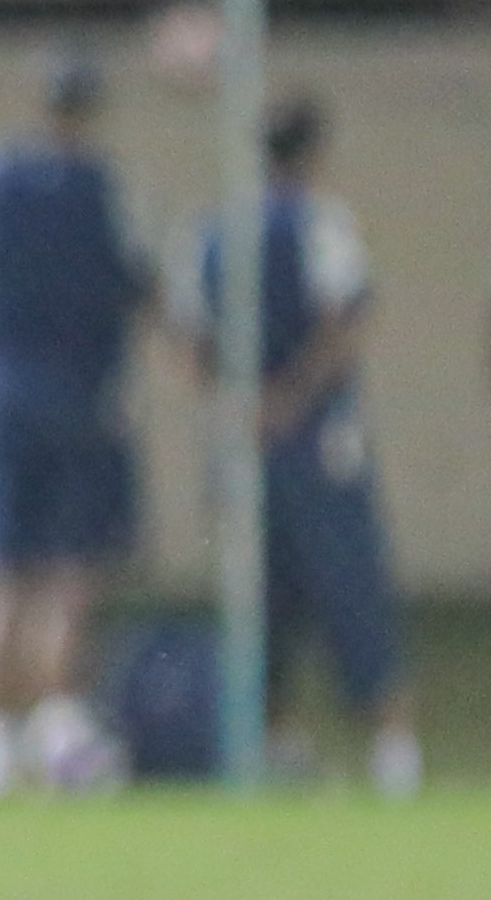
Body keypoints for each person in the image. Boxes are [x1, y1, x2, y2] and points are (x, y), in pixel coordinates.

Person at [175, 93, 420, 797]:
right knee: (343, 583)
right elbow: (347, 321)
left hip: (243, 438)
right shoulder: (321, 222)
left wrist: (234, 403)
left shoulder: (211, 229)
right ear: (313, 154)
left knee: (259, 591)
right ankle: (388, 744)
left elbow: (189, 338)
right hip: (316, 438)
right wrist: (289, 397)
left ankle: (277, 734)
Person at [0, 46, 152, 795]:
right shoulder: (102, 189)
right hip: (78, 390)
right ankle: (59, 725)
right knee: (70, 571)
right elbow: (135, 283)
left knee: (6, 571)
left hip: (4, 391)